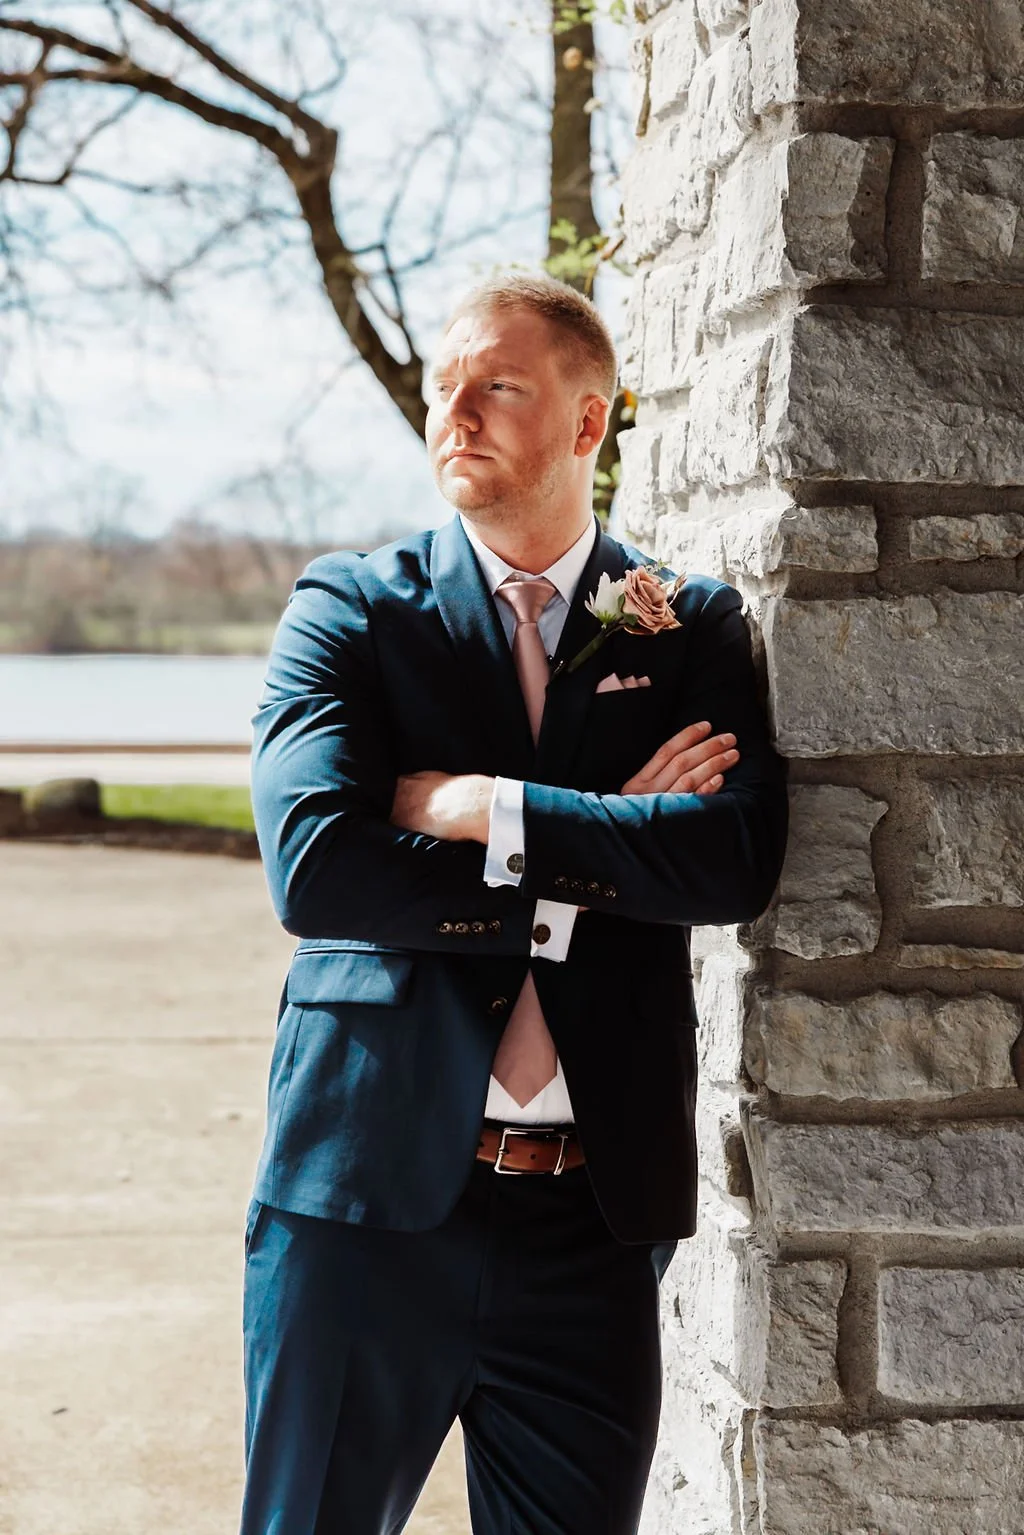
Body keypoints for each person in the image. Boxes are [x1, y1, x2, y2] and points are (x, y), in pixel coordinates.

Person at [239, 272, 789, 1534]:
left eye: (495, 384)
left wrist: (491, 805)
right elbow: (319, 867)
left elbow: (730, 861)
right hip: (360, 1203)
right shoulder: (351, 609)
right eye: (443, 387)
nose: (455, 412)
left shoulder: (683, 621)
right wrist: (613, 842)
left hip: (589, 1224)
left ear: (589, 422)